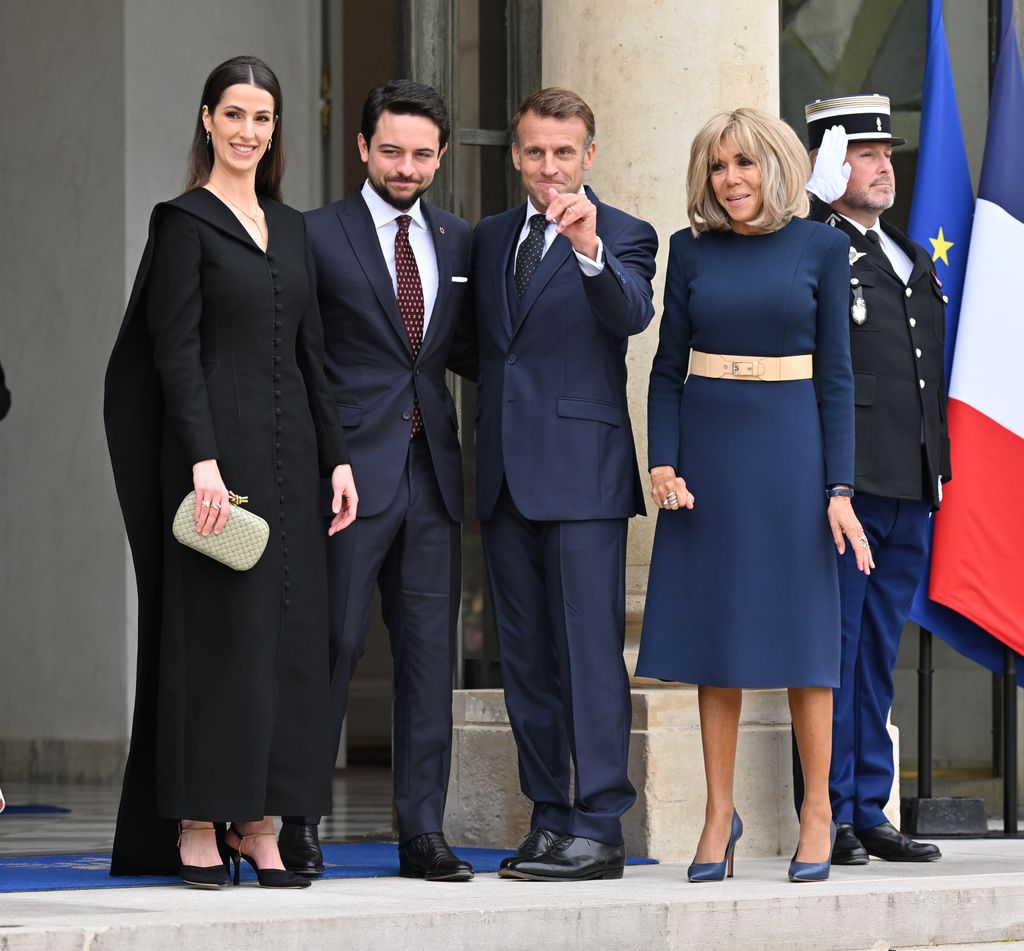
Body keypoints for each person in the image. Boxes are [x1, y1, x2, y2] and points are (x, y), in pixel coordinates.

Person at [104, 55, 357, 889]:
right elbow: (172, 353)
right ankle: (196, 821)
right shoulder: (182, 222)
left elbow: (312, 354)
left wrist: (341, 458)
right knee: (217, 644)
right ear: (207, 119)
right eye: (236, 115)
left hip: (296, 465)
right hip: (214, 461)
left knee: (288, 644)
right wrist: (202, 462)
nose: (250, 132)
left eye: (264, 118)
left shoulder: (291, 228)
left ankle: (260, 821)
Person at [635, 107, 872, 884]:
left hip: (793, 454)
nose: (730, 180)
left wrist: (839, 486)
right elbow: (667, 368)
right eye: (716, 166)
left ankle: (816, 815)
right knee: (719, 640)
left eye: (743, 163)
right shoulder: (690, 251)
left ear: (775, 168)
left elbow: (837, 375)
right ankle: (717, 814)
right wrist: (663, 462)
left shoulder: (823, 246)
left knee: (808, 642)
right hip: (709, 461)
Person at [457, 87, 658, 882]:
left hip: (583, 477)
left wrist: (587, 248)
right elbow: (479, 346)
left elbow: (630, 314)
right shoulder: (490, 237)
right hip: (505, 474)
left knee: (588, 655)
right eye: (535, 151)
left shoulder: (626, 233)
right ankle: (549, 817)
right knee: (527, 660)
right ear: (515, 155)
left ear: (589, 156)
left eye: (563, 152)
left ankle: (600, 822)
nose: (549, 167)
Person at [280, 80, 474, 882]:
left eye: (422, 153)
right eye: (391, 149)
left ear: (441, 156)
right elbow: (298, 358)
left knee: (432, 657)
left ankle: (421, 830)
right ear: (362, 147)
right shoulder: (312, 234)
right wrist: (323, 459)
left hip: (433, 474)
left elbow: (467, 349)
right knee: (330, 643)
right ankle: (296, 817)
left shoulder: (461, 242)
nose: (406, 165)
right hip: (347, 476)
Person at [802, 94, 949, 865]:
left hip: (909, 484)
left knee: (878, 651)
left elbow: (922, 379)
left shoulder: (907, 256)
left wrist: (939, 473)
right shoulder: (817, 249)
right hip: (848, 488)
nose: (884, 164)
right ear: (830, 164)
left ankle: (869, 803)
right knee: (837, 646)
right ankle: (830, 810)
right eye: (864, 153)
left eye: (886, 152)